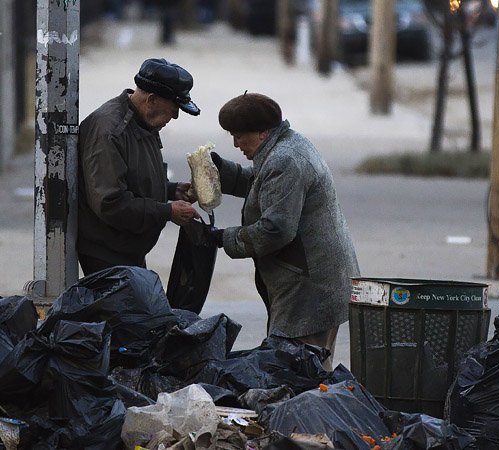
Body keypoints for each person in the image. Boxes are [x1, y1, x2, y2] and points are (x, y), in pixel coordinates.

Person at [210, 92, 360, 370]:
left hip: (309, 288)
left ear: (263, 132)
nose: (235, 143)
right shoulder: (286, 144)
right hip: (312, 280)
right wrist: (224, 173)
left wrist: (224, 238)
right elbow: (265, 186)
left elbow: (276, 229)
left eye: (239, 136)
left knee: (300, 373)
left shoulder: (285, 160)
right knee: (311, 370)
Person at [77, 58, 201, 276]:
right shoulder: (110, 130)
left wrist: (171, 190)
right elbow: (110, 203)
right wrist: (167, 211)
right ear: (151, 99)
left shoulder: (143, 119)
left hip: (127, 250)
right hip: (107, 253)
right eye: (174, 108)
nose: (175, 116)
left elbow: (133, 177)